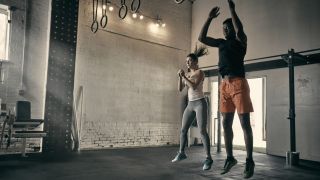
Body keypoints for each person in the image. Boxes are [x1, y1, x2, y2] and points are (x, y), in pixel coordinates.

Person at [198, 0, 255, 178]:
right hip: (224, 85)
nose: (225, 30)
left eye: (227, 28)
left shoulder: (240, 41)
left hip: (239, 84)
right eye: (224, 28)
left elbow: (239, 29)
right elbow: (202, 38)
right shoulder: (221, 43)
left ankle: (249, 161)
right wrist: (208, 18)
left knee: (244, 123)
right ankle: (230, 158)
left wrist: (232, 10)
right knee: (225, 123)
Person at [171, 45, 213, 171]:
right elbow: (180, 89)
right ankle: (182, 152)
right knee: (183, 130)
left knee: (202, 131)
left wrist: (184, 77)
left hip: (200, 103)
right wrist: (180, 77)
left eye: (189, 61)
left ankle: (208, 158)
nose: (187, 63)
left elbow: (194, 87)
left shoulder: (200, 72)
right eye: (186, 62)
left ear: (195, 61)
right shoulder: (188, 74)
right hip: (190, 104)